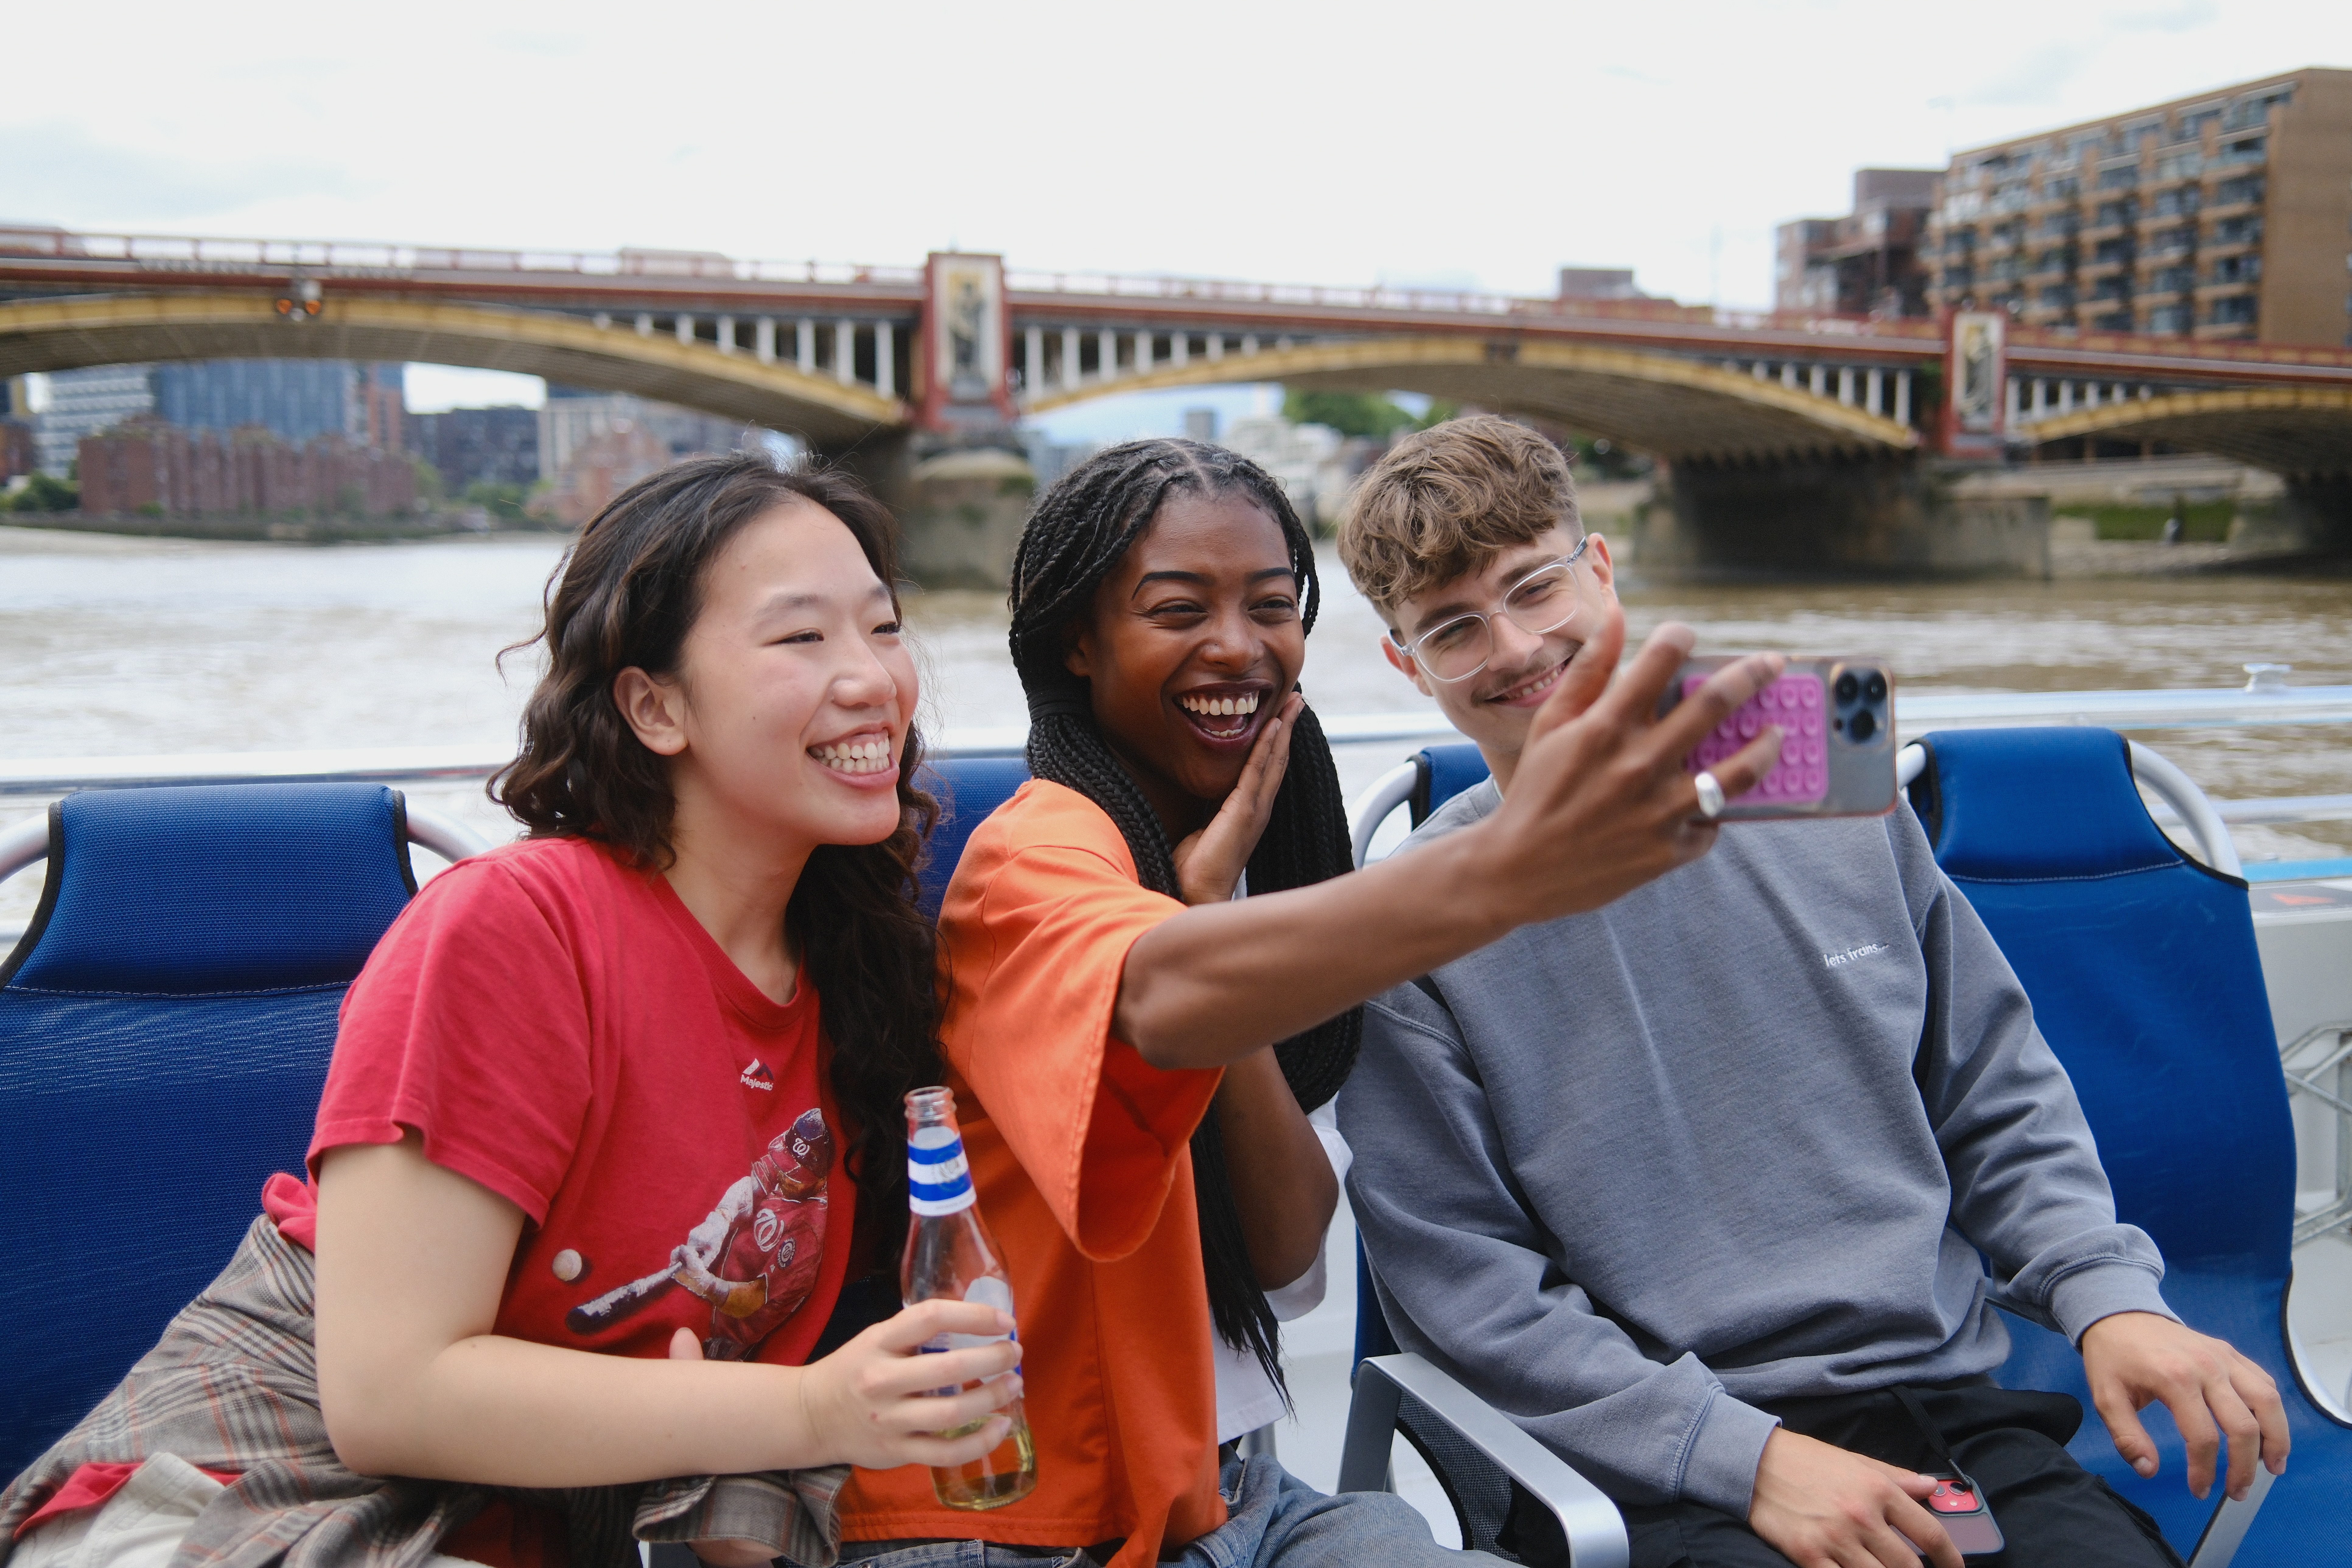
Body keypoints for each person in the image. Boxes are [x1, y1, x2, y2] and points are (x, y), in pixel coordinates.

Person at [0, 455, 1027, 1568]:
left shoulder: (858, 977)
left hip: (566, 1504)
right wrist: (814, 1414)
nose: (874, 677)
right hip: (263, 1477)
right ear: (655, 706)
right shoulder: (513, 931)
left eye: (883, 629)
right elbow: (390, 1392)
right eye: (802, 639)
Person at [1332, 415, 2292, 1568]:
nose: (1516, 646)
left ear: (1600, 568)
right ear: (1403, 664)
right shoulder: (1408, 924)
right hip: (1659, 1470)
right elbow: (1472, 1296)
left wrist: (2109, 1295)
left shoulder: (1828, 779)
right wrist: (1749, 1462)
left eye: (1535, 588)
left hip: (1949, 1416)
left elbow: (1992, 1089)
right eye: (1453, 628)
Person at [835, 438, 1787, 1568]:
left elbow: (1289, 1265)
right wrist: (1496, 880)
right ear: (1079, 644)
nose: (1237, 646)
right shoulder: (1037, 854)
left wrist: (1198, 901)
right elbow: (1151, 997)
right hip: (1025, 1527)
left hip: (1240, 1498)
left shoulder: (1248, 862)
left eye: (1273, 606)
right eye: (1179, 609)